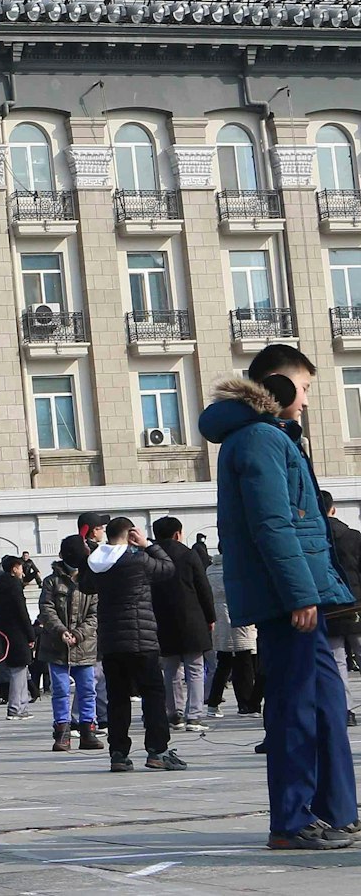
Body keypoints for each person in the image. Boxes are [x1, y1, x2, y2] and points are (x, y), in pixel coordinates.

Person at [201, 346, 358, 850]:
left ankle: (338, 810)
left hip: (305, 591)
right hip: (288, 599)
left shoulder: (274, 438)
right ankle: (291, 821)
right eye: (305, 388)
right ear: (280, 387)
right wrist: (298, 594)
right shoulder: (259, 440)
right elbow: (272, 525)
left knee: (329, 703)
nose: (308, 401)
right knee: (294, 708)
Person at [78, 517, 186, 773]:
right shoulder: (137, 559)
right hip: (142, 639)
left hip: (112, 641)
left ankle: (118, 753)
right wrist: (148, 544)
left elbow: (84, 584)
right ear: (130, 534)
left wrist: (91, 551)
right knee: (153, 695)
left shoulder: (97, 563)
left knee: (117, 698)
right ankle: (157, 750)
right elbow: (168, 568)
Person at [149, 516, 216, 733]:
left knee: (170, 669)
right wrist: (210, 616)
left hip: (160, 618)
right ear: (178, 533)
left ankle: (174, 713)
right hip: (191, 618)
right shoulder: (188, 554)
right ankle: (194, 716)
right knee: (195, 668)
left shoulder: (149, 556)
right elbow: (203, 587)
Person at [38, 534, 103, 752]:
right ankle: (62, 732)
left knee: (87, 689)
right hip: (57, 646)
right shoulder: (51, 581)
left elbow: (95, 614)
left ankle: (88, 730)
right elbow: (46, 610)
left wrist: (78, 634)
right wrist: (62, 631)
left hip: (84, 646)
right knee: (61, 690)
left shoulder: (91, 579)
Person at [204, 555, 260, 717]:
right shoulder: (237, 567)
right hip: (239, 615)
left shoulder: (210, 570)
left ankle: (213, 702)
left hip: (219, 618)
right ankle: (245, 704)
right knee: (244, 661)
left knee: (224, 662)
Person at [320, 492, 361, 692]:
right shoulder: (354, 536)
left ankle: (345, 707)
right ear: (333, 509)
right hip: (356, 602)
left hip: (330, 605)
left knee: (337, 659)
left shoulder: (317, 539)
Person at [0, 556, 35, 719]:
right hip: (18, 632)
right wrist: (30, 634)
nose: (22, 571)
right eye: (21, 567)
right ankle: (16, 707)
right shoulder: (14, 585)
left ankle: (22, 705)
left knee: (20, 668)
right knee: (18, 669)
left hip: (5, 631)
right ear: (14, 568)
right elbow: (21, 611)